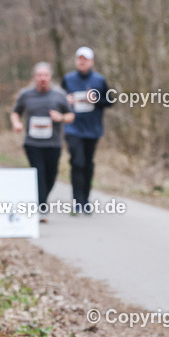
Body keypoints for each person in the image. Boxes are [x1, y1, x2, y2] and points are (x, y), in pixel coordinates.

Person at [11, 62, 73, 223]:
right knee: (39, 174)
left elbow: (71, 116)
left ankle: (41, 201)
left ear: (50, 77)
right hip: (33, 143)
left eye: (45, 75)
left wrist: (61, 117)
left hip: (53, 144)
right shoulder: (26, 95)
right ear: (34, 77)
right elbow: (15, 112)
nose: (42, 78)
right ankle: (42, 208)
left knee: (51, 176)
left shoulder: (59, 95)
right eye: (39, 75)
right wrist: (16, 123)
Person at [62, 47, 112, 215]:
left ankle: (86, 200)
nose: (82, 62)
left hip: (92, 129)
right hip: (73, 128)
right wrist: (66, 101)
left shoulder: (99, 80)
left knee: (87, 164)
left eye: (85, 59)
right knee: (77, 162)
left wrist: (96, 99)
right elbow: (58, 100)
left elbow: (110, 101)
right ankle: (77, 202)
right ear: (76, 61)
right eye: (79, 59)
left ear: (91, 62)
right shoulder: (68, 79)